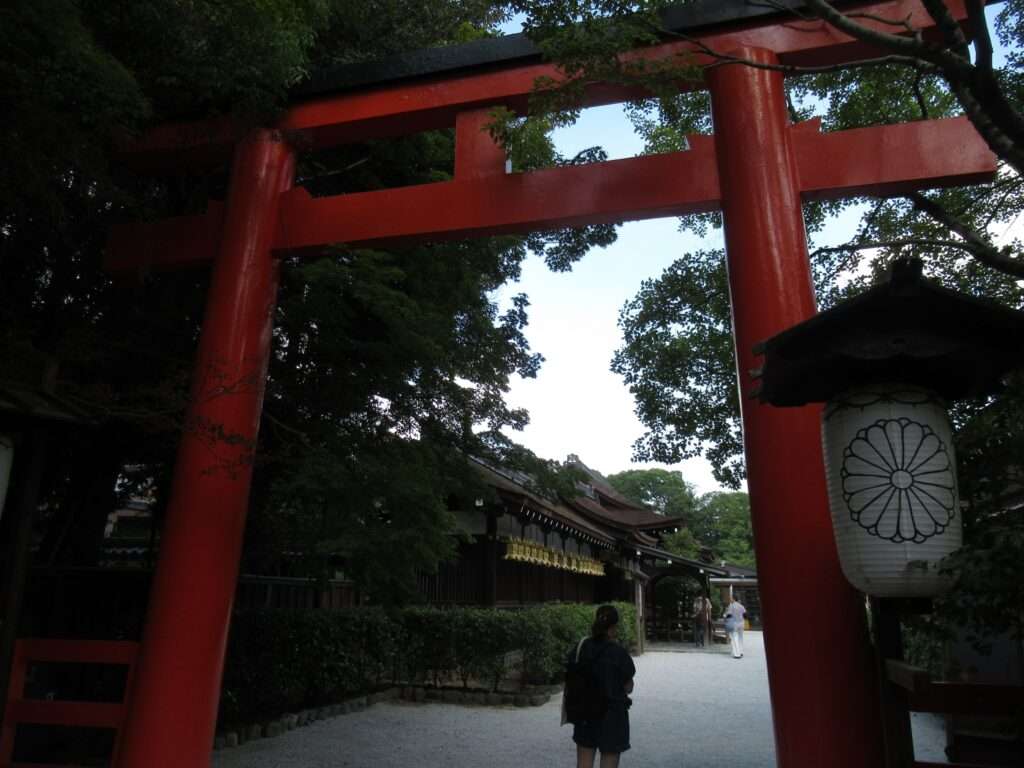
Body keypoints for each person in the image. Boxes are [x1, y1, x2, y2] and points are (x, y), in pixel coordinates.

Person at [566, 605, 636, 768]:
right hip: (612, 716)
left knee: (583, 764)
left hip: (585, 713)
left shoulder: (581, 647)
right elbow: (628, 687)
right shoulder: (618, 653)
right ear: (614, 627)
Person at [724, 594, 747, 659]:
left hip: (734, 623)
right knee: (740, 637)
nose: (730, 599)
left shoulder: (731, 606)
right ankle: (741, 652)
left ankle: (737, 654)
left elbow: (728, 615)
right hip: (741, 623)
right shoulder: (741, 606)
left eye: (731, 598)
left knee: (734, 638)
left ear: (734, 599)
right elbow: (745, 615)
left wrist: (724, 615)